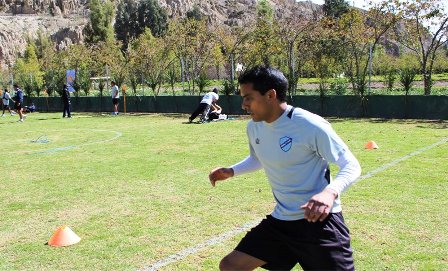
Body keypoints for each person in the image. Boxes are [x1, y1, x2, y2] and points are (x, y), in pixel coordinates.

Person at [209, 65, 361, 271]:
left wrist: (329, 193)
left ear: (270, 94)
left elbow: (351, 165)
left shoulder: (310, 125)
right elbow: (258, 158)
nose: (243, 104)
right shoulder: (254, 126)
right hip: (282, 222)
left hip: (319, 222)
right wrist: (231, 171)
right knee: (231, 266)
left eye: (248, 97)